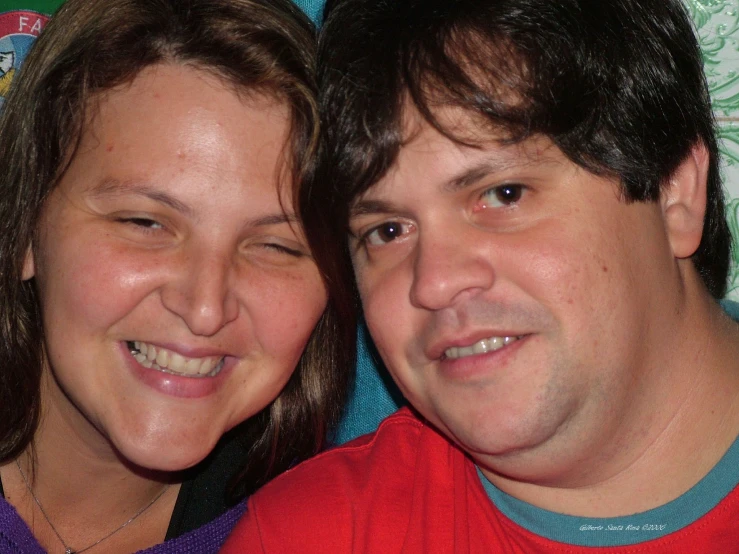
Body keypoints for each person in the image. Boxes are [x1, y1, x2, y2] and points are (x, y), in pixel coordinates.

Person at [222, 0, 739, 551]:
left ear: (673, 193)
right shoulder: (310, 538)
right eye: (388, 231)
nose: (434, 283)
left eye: (502, 195)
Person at [0, 0, 355, 552]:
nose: (205, 306)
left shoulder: (330, 530)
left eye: (274, 245)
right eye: (144, 222)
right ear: (26, 227)